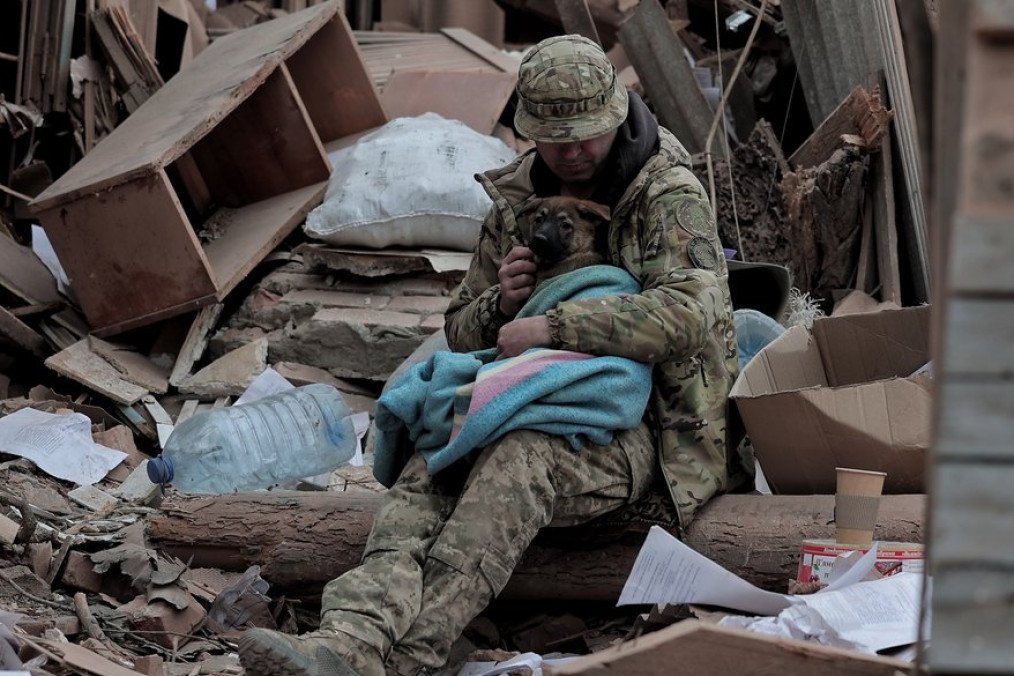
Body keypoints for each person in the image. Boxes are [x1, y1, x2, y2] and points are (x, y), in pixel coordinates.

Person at [238, 34, 745, 676]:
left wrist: (554, 326)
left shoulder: (665, 193)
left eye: (587, 134)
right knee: (436, 454)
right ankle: (349, 642)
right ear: (529, 130)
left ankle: (407, 662)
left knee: (517, 460)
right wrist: (502, 307)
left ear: (618, 114)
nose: (572, 151)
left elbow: (692, 314)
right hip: (521, 395)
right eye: (555, 138)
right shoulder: (516, 202)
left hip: (651, 437)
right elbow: (461, 330)